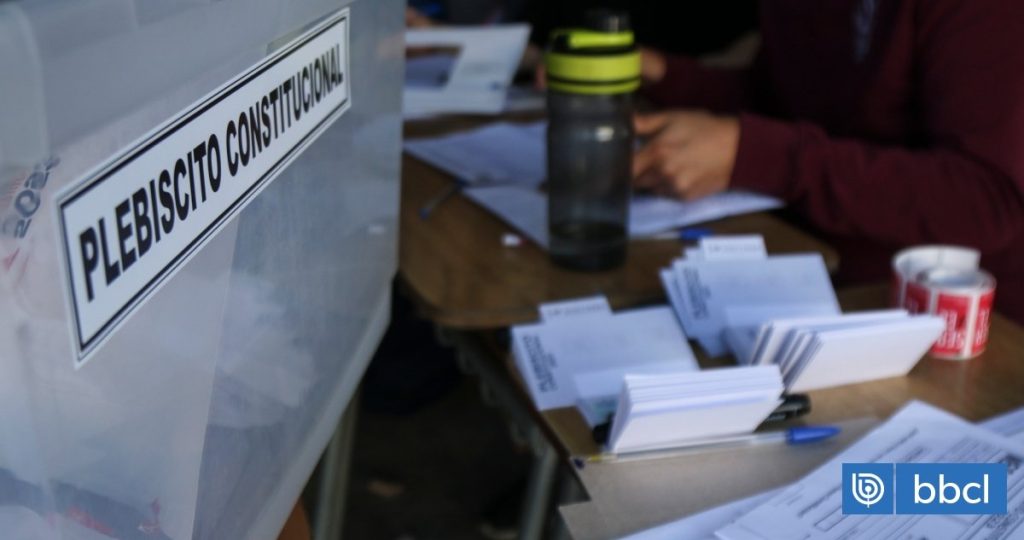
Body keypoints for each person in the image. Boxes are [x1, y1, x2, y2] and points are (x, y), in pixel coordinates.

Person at [632, 0, 1024, 324]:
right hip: (802, 272)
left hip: (948, 324)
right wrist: (662, 75)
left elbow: (986, 200)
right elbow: (782, 103)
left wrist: (756, 153)